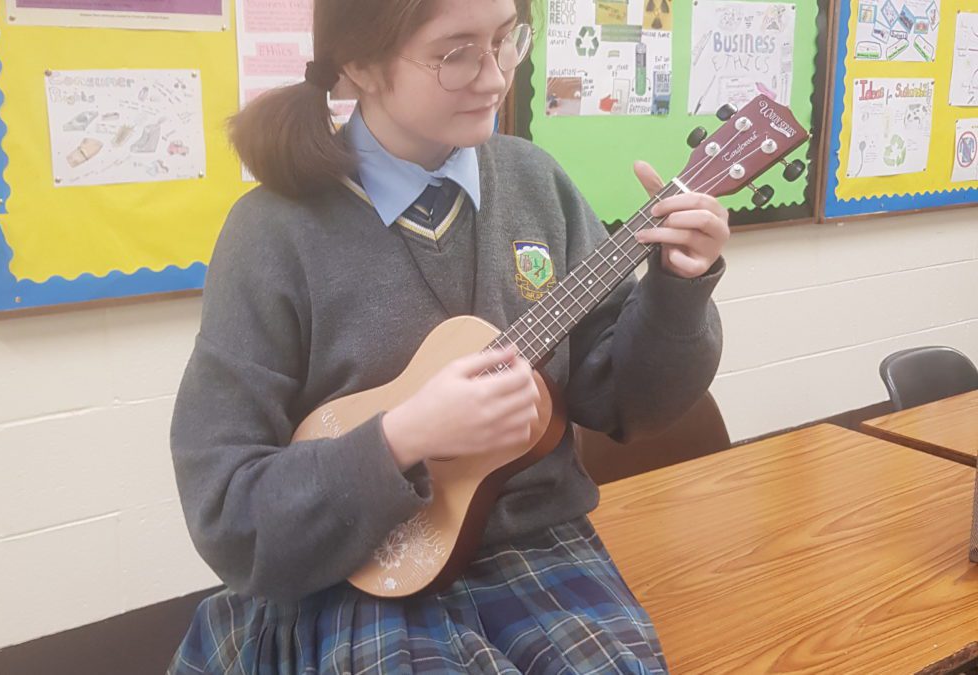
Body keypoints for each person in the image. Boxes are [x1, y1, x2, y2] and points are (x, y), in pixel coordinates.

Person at [168, 0, 729, 672]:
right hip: (351, 568)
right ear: (362, 66)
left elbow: (629, 405)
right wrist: (405, 437)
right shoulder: (271, 233)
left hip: (536, 548)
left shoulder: (535, 182)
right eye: (458, 52)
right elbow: (227, 508)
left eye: (504, 41)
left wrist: (677, 288)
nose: (495, 78)